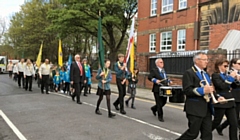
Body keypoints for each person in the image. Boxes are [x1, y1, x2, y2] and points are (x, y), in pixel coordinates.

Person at [177, 52, 225, 140]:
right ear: (197, 61)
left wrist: (218, 97)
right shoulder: (189, 73)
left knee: (207, 135)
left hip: (206, 109)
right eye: (204, 60)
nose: (207, 62)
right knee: (193, 134)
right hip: (195, 109)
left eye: (207, 60)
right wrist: (202, 90)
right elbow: (187, 90)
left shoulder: (206, 74)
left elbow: (210, 89)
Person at [211, 58, 238, 140]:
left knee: (234, 123)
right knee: (216, 122)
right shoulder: (215, 75)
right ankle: (205, 132)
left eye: (227, 66)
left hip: (230, 101)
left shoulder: (227, 75)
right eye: (225, 66)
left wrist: (236, 78)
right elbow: (222, 86)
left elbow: (234, 86)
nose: (226, 68)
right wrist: (230, 78)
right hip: (221, 101)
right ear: (219, 66)